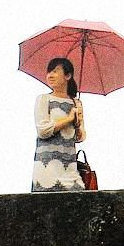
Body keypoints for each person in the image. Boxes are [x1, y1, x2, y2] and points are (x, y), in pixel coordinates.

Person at [31, 56, 86, 192]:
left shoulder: (76, 103)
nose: (50, 75)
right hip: (47, 168)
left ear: (67, 75)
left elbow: (80, 137)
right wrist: (68, 119)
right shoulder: (44, 99)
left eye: (55, 71)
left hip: (70, 167)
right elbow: (43, 131)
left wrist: (77, 123)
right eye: (49, 72)